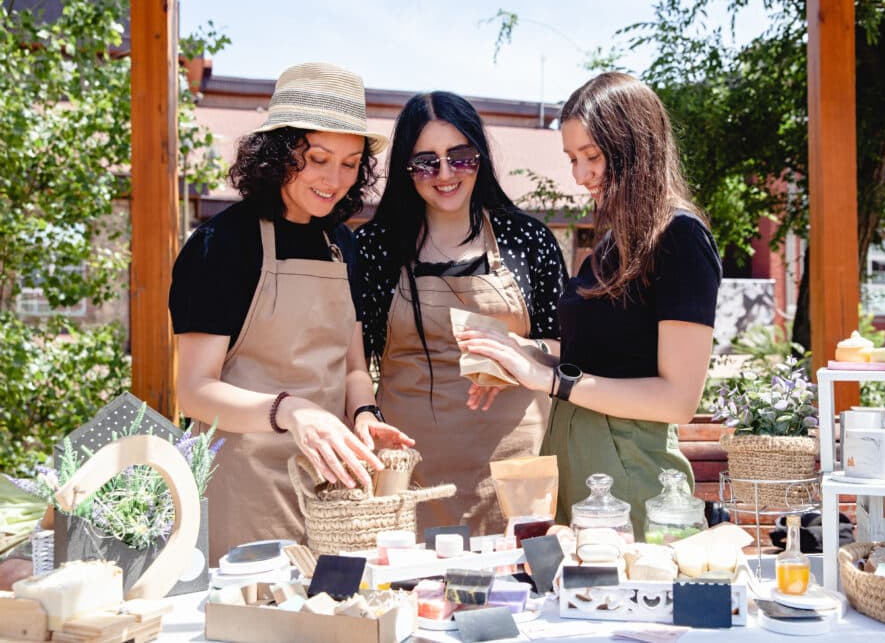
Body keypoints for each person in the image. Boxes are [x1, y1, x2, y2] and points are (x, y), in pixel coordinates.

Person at [457, 72, 722, 538]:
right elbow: (595, 356)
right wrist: (514, 353)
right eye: (572, 159)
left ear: (635, 148)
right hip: (573, 456)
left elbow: (678, 400)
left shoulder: (680, 238)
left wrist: (551, 380)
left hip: (631, 469)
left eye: (592, 157)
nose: (580, 176)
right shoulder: (612, 243)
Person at [169, 63, 414, 561]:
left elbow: (350, 366)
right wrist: (291, 410)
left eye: (350, 164)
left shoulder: (343, 243)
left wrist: (364, 413)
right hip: (242, 485)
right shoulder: (223, 245)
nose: (334, 180)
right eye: (318, 158)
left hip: (332, 489)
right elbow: (194, 392)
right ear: (279, 154)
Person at [355, 91, 568, 536]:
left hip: (513, 471)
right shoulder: (375, 247)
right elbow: (353, 360)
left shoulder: (527, 239)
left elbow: (565, 345)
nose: (446, 174)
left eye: (461, 157)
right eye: (426, 162)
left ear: (481, 157)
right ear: (406, 170)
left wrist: (513, 350)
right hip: (408, 473)